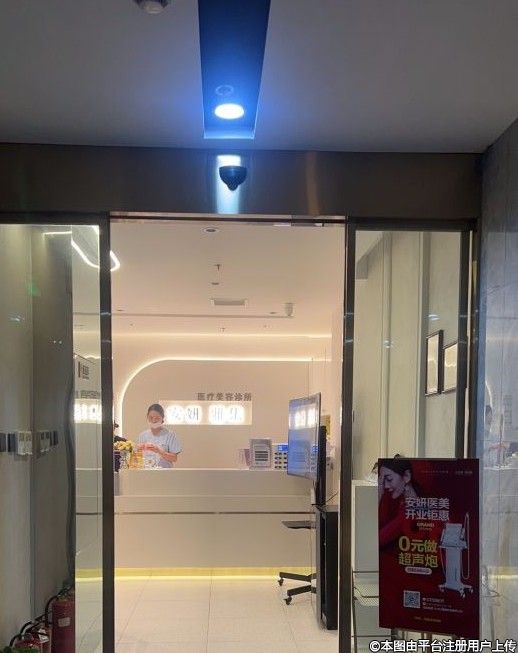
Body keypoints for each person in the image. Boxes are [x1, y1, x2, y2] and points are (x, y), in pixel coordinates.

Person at [378, 457, 420, 548]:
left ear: (406, 476)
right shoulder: (404, 502)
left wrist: (378, 495)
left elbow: (377, 539)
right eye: (382, 481)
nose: (385, 486)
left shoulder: (410, 510)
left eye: (389, 479)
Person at [136, 403, 182, 468]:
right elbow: (138, 457)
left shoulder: (170, 435)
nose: (153, 420)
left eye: (157, 418)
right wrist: (138, 450)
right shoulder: (142, 436)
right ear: (147, 417)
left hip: (164, 472)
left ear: (162, 418)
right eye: (151, 418)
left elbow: (174, 458)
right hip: (146, 472)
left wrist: (159, 451)